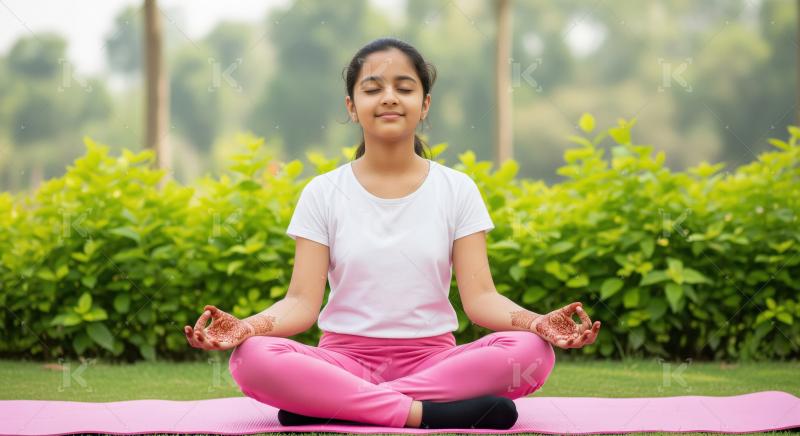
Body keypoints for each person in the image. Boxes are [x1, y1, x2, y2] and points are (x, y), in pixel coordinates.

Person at [184, 37, 601, 430]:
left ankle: (334, 406)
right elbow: (299, 304)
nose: (388, 98)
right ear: (352, 106)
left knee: (530, 351)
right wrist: (246, 327)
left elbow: (482, 300)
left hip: (435, 364)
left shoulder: (457, 189)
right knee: (253, 357)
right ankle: (426, 415)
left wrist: (538, 323)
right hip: (341, 361)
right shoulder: (322, 193)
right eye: (372, 89)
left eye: (404, 87)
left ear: (424, 105)